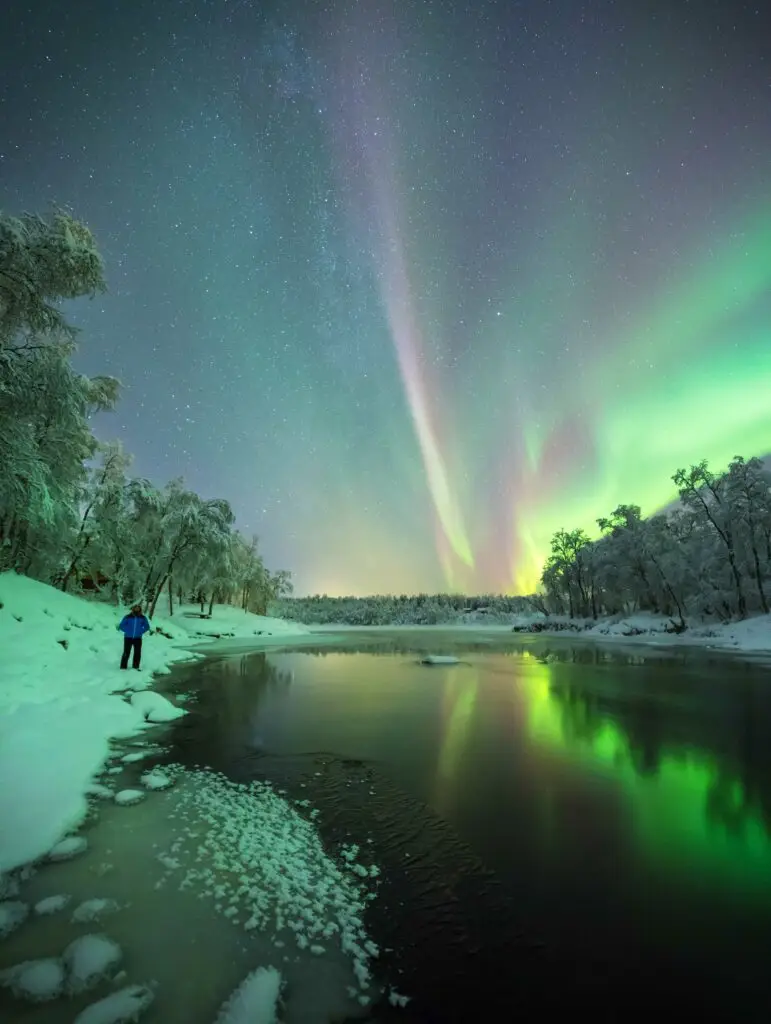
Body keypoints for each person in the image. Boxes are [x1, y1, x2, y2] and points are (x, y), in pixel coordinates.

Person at [117, 604, 151, 670]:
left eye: (138, 608)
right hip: (128, 637)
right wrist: (127, 630)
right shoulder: (127, 617)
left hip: (138, 638)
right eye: (136, 608)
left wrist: (141, 631)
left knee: (137, 652)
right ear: (133, 609)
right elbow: (121, 625)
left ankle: (135, 666)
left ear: (140, 609)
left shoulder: (142, 618)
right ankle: (123, 667)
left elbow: (147, 626)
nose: (137, 609)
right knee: (126, 652)